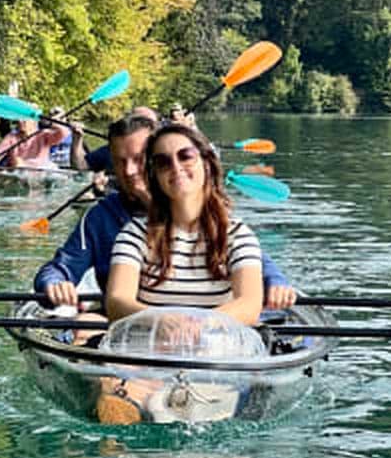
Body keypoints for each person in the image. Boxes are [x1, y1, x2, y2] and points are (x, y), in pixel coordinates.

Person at [34, 114, 296, 312]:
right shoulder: (103, 219)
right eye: (120, 161)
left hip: (214, 333)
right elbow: (62, 269)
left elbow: (253, 261)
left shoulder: (217, 220)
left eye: (138, 159)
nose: (128, 171)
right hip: (129, 329)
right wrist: (54, 283)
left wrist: (275, 281)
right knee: (86, 323)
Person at [106, 123, 262, 325]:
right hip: (148, 351)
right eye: (162, 162)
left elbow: (250, 304)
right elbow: (117, 301)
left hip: (216, 352)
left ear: (206, 163)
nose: (176, 167)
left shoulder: (237, 234)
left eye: (185, 156)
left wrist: (201, 325)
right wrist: (159, 320)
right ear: (156, 177)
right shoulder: (135, 233)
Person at [0, 117, 69, 168]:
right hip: (20, 168)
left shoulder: (43, 134)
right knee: (17, 161)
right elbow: (0, 150)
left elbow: (65, 133)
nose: (20, 121)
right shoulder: (12, 137)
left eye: (24, 119)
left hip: (42, 168)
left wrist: (51, 124)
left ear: (33, 121)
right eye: (19, 119)